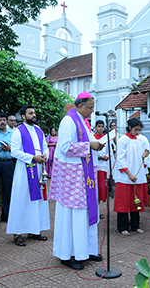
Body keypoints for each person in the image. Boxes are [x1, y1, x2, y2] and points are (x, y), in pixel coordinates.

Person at [50, 92, 104, 270]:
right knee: (73, 215)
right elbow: (64, 147)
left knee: (86, 212)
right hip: (71, 176)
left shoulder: (83, 121)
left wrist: (96, 144)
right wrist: (89, 145)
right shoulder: (68, 120)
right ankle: (69, 254)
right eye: (90, 107)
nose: (92, 111)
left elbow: (86, 143)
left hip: (84, 174)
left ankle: (87, 250)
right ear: (80, 106)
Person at [6, 105, 50, 246]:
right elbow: (14, 152)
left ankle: (34, 230)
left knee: (36, 200)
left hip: (38, 168)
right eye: (30, 113)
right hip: (24, 170)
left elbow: (45, 147)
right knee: (22, 199)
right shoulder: (18, 132)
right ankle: (18, 233)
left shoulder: (39, 130)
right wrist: (32, 158)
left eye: (34, 113)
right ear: (23, 116)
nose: (34, 115)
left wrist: (45, 156)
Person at [114, 118, 150, 235]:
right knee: (123, 202)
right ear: (129, 127)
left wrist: (145, 154)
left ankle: (135, 225)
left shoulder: (140, 139)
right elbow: (120, 159)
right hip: (125, 177)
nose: (137, 132)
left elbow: (143, 154)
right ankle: (123, 227)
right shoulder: (122, 140)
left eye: (139, 130)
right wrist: (128, 174)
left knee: (136, 202)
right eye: (136, 130)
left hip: (137, 175)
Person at [93, 120, 109, 204]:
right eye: (99, 126)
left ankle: (98, 207)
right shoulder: (92, 137)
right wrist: (97, 157)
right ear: (95, 127)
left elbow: (108, 151)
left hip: (102, 166)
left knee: (101, 186)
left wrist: (106, 157)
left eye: (102, 126)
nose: (101, 128)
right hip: (94, 164)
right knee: (94, 186)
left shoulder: (106, 138)